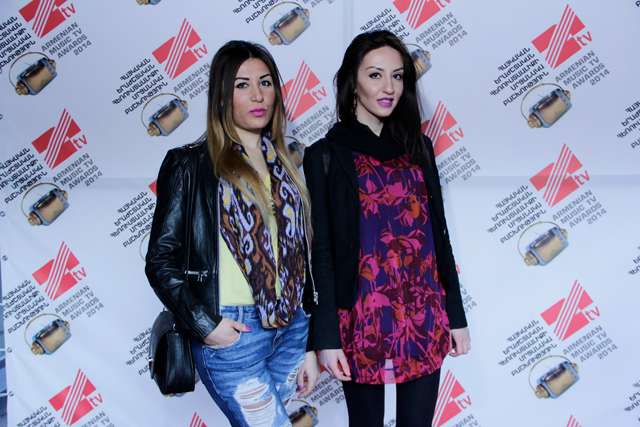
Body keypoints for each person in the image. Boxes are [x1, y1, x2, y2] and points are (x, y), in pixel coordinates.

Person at [145, 40, 319, 427]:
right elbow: (160, 260)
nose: (258, 95)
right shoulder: (190, 165)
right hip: (235, 329)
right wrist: (205, 325)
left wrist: (309, 343)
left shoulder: (287, 163)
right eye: (242, 85)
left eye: (265, 82)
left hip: (292, 327)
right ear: (222, 96)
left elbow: (300, 256)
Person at [303, 30, 471, 427]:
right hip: (361, 318)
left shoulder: (418, 147)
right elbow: (321, 252)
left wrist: (456, 314)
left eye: (397, 76)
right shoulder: (324, 155)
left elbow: (438, 235)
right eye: (375, 75)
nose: (389, 87)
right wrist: (325, 336)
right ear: (352, 81)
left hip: (423, 311)